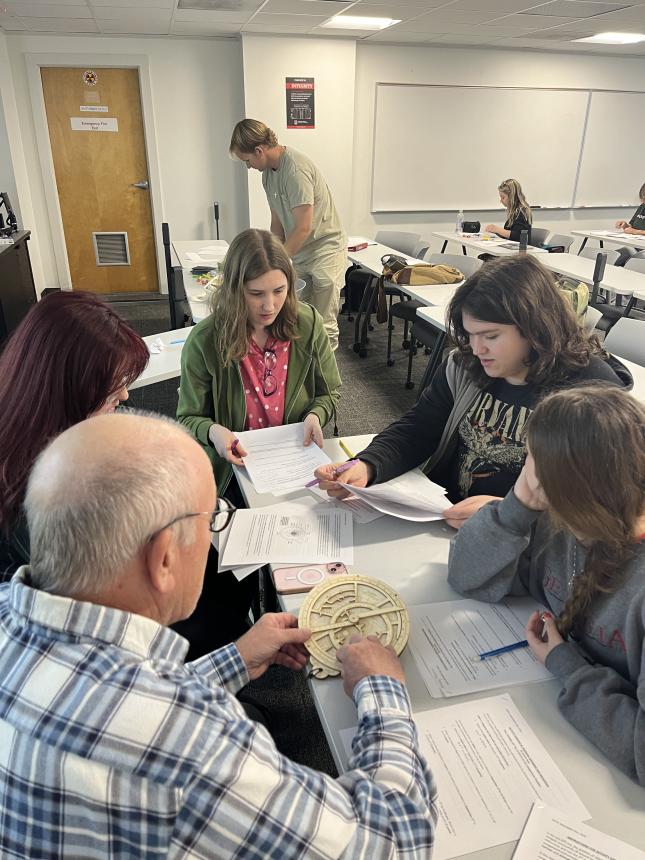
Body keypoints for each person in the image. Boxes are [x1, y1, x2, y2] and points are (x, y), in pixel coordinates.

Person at [0, 411, 438, 856]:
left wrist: (237, 658)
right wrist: (381, 691)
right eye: (212, 523)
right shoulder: (191, 744)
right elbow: (391, 843)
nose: (214, 535)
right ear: (164, 559)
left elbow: (107, 692)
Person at [315, 255, 632, 529]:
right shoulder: (467, 364)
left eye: (491, 336)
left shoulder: (591, 394)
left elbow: (601, 508)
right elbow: (419, 428)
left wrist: (508, 514)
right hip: (443, 518)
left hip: (521, 545)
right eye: (470, 335)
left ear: (535, 327)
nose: (477, 348)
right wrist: (366, 465)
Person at [447, 386, 645, 785]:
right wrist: (517, 504)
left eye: (534, 466)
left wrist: (566, 665)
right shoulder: (560, 523)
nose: (528, 472)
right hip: (557, 726)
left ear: (580, 492)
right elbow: (466, 576)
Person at [177, 228, 341, 652]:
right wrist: (213, 432)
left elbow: (330, 392)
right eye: (256, 294)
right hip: (234, 474)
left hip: (294, 462)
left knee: (318, 549)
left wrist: (315, 416)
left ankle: (293, 623)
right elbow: (188, 417)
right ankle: (251, 636)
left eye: (279, 291)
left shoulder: (304, 324)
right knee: (236, 572)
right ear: (234, 290)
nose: (270, 305)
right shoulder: (206, 340)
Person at [0, 290, 148, 581]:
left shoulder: (69, 429)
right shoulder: (25, 507)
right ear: (69, 391)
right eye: (112, 387)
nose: (124, 394)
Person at [230, 119, 347, 349]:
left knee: (323, 323)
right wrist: (270, 255)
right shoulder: (268, 174)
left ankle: (323, 382)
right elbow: (277, 223)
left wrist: (276, 265)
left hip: (325, 249)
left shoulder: (295, 170)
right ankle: (298, 372)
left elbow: (303, 227)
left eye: (247, 160)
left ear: (259, 150)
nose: (248, 166)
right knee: (294, 317)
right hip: (302, 249)